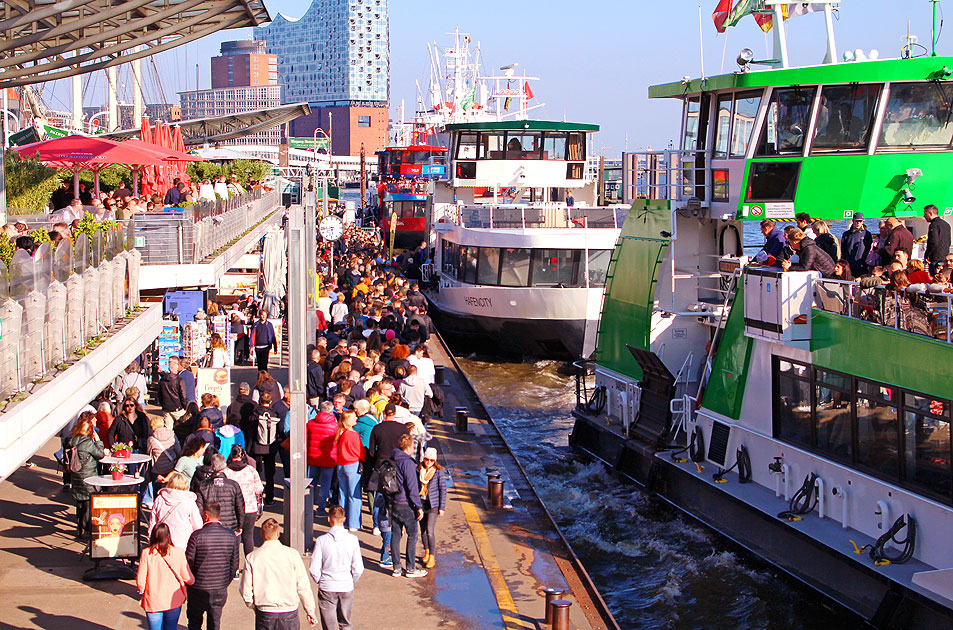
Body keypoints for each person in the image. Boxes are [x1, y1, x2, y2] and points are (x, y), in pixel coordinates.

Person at [240, 518, 317, 630]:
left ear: (262, 534)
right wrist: (310, 610)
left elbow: (245, 589)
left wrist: (254, 605)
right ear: (278, 533)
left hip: (265, 611)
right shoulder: (292, 555)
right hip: (289, 611)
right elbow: (303, 586)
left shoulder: (252, 557)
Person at [185, 502, 240, 630]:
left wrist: (191, 582)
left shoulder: (197, 536)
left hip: (197, 588)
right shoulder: (230, 536)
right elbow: (234, 564)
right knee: (215, 623)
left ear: (206, 516)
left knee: (194, 622)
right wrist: (224, 582)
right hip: (219, 588)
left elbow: (189, 562)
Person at [309, 506, 364, 630]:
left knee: (329, 626)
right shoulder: (353, 540)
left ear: (329, 519)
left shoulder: (321, 540)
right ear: (344, 519)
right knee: (345, 623)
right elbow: (358, 568)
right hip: (346, 585)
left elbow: (314, 568)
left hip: (327, 586)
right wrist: (351, 580)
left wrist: (321, 580)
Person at [137, 523, 195, 630]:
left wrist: (142, 590)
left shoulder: (146, 554)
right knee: (171, 627)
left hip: (153, 600)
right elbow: (188, 578)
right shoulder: (179, 553)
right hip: (173, 599)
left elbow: (140, 581)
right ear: (168, 535)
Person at [389, 434, 427, 578]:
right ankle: (410, 567)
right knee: (412, 535)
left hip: (394, 502)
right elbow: (412, 487)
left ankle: (396, 567)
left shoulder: (392, 459)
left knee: (396, 535)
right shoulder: (408, 463)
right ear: (410, 447)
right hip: (406, 503)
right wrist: (418, 506)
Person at [68, 412, 105, 539]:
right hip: (88, 475)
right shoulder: (87, 441)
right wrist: (98, 441)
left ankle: (80, 528)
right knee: (88, 503)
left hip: (76, 474)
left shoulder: (72, 439)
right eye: (93, 420)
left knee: (79, 502)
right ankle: (87, 528)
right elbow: (100, 454)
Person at [223, 445, 263, 559]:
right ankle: (249, 564)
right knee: (248, 536)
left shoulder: (226, 471)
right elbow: (259, 489)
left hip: (232, 509)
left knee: (235, 537)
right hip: (250, 508)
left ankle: (234, 567)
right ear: (242, 455)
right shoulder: (251, 470)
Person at [149, 471, 203, 550]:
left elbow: (153, 523)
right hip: (184, 545)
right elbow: (197, 526)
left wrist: (151, 541)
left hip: (162, 543)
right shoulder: (189, 502)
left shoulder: (160, 499)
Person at [195, 453, 245, 538]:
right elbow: (240, 507)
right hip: (230, 527)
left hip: (210, 526)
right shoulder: (233, 485)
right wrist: (240, 525)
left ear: (212, 467)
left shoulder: (203, 486)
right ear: (225, 466)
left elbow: (199, 508)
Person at [335, 411, 365, 531]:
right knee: (354, 495)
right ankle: (353, 524)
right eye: (354, 417)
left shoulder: (341, 433)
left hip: (341, 464)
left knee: (343, 494)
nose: (356, 418)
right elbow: (359, 451)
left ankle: (340, 522)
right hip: (352, 465)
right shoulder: (353, 434)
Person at [307, 401, 339, 515]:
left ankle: (308, 507)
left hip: (313, 457)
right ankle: (320, 509)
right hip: (328, 459)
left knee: (311, 484)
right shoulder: (335, 426)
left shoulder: (310, 423)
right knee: (325, 485)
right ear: (331, 411)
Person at [418, 447, 447, 569]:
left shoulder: (438, 472)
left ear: (434, 460)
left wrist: (442, 507)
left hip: (433, 505)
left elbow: (443, 489)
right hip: (421, 503)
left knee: (430, 531)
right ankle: (426, 550)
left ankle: (432, 555)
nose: (428, 462)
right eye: (426, 459)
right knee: (423, 531)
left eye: (431, 460)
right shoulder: (418, 469)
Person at [251, 391, 281, 504]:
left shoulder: (255, 414)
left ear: (260, 401)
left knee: (257, 473)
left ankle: (258, 497)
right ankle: (270, 497)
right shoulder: (274, 414)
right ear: (271, 402)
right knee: (270, 474)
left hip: (257, 447)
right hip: (270, 448)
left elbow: (251, 432)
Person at [158, 357, 189, 429]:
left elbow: (159, 394)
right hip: (177, 407)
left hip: (166, 408)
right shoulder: (179, 380)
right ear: (176, 367)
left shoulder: (162, 380)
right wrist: (185, 406)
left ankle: (169, 440)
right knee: (184, 426)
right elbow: (183, 395)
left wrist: (163, 405)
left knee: (168, 429)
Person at [924, 204, 952, 275]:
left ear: (930, 213)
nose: (924, 216)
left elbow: (933, 241)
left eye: (925, 214)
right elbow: (948, 241)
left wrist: (927, 255)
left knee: (935, 277)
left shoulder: (934, 225)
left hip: (935, 257)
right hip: (945, 256)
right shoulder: (946, 224)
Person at [841, 213, 872, 277]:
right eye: (856, 221)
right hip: (849, 264)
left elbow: (868, 249)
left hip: (862, 264)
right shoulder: (846, 234)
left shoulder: (867, 234)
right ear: (853, 221)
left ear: (863, 222)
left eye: (860, 221)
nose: (858, 223)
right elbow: (843, 250)